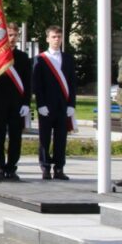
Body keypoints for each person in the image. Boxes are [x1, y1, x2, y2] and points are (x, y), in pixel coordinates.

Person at [32, 25, 77, 180]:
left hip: (63, 106)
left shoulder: (68, 59)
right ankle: (45, 168)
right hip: (46, 106)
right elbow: (37, 85)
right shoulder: (41, 59)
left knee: (61, 139)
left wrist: (72, 104)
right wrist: (40, 104)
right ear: (47, 39)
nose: (57, 40)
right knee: (44, 138)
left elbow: (72, 83)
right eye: (53, 37)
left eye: (59, 37)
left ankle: (59, 168)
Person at [0, 22, 31, 182]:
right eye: (9, 35)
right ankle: (0, 167)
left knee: (16, 137)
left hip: (17, 104)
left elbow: (28, 82)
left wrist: (26, 103)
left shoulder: (23, 57)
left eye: (15, 35)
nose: (12, 38)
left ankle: (12, 167)